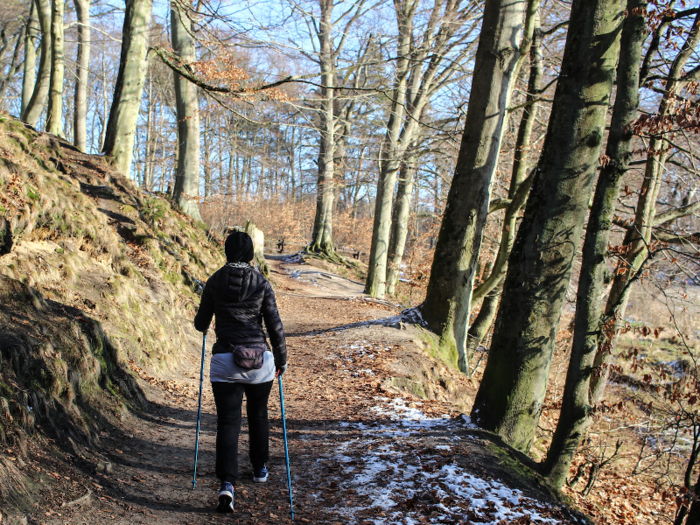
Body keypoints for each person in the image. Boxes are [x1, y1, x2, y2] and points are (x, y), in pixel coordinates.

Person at [194, 231, 288, 513]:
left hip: (225, 359)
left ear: (226, 252)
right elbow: (274, 325)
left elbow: (201, 323)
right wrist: (281, 359)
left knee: (227, 422)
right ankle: (260, 468)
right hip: (260, 363)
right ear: (250, 254)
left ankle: (227, 484)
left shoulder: (214, 281)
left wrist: (213, 319)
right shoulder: (261, 282)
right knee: (258, 415)